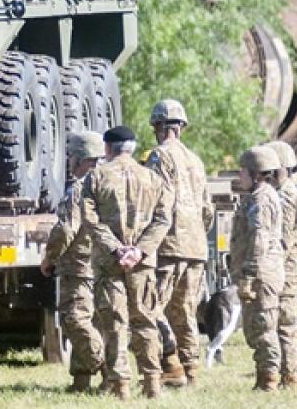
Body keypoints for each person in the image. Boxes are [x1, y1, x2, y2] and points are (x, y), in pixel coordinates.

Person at [81, 125, 173, 399]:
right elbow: (163, 220)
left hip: (110, 264)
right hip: (142, 265)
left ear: (107, 149)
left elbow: (90, 219)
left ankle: (120, 385)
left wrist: (116, 250)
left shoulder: (96, 176)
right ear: (132, 148)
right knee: (145, 321)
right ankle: (152, 383)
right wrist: (139, 251)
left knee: (114, 323)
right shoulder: (153, 179)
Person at [145, 98, 212, 386]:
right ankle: (191, 370)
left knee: (151, 306)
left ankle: (170, 363)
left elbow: (155, 200)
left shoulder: (159, 157)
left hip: (168, 246)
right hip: (196, 247)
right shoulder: (195, 160)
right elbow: (207, 209)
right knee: (185, 311)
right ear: (181, 127)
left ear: (158, 126)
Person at [40, 131, 105, 393]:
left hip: (79, 266)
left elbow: (65, 229)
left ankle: (107, 365)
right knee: (95, 322)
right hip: (102, 265)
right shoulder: (108, 186)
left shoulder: (79, 189)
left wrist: (49, 257)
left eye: (70, 157)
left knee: (74, 319)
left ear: (78, 159)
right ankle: (81, 381)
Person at [230, 145, 285, 391]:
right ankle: (265, 377)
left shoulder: (261, 200)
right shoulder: (259, 196)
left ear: (256, 173)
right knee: (258, 327)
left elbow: (259, 239)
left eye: (242, 171)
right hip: (262, 272)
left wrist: (248, 275)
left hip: (261, 274)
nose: (239, 176)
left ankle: (269, 380)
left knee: (263, 327)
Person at [264, 140, 297, 388]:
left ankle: (291, 376)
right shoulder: (285, 193)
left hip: (287, 269)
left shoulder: (286, 197)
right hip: (289, 267)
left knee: (286, 323)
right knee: (287, 322)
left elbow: (283, 240)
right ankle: (295, 370)